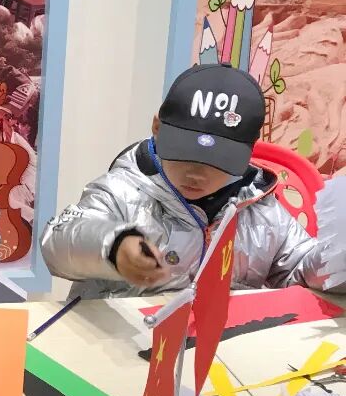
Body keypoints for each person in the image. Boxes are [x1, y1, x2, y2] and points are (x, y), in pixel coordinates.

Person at [41, 64, 346, 300]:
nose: (196, 174)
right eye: (184, 154)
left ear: (248, 152)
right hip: (117, 347)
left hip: (218, 350)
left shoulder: (260, 210)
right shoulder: (123, 191)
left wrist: (339, 260)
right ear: (157, 128)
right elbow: (58, 240)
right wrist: (114, 245)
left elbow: (299, 267)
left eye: (217, 162)